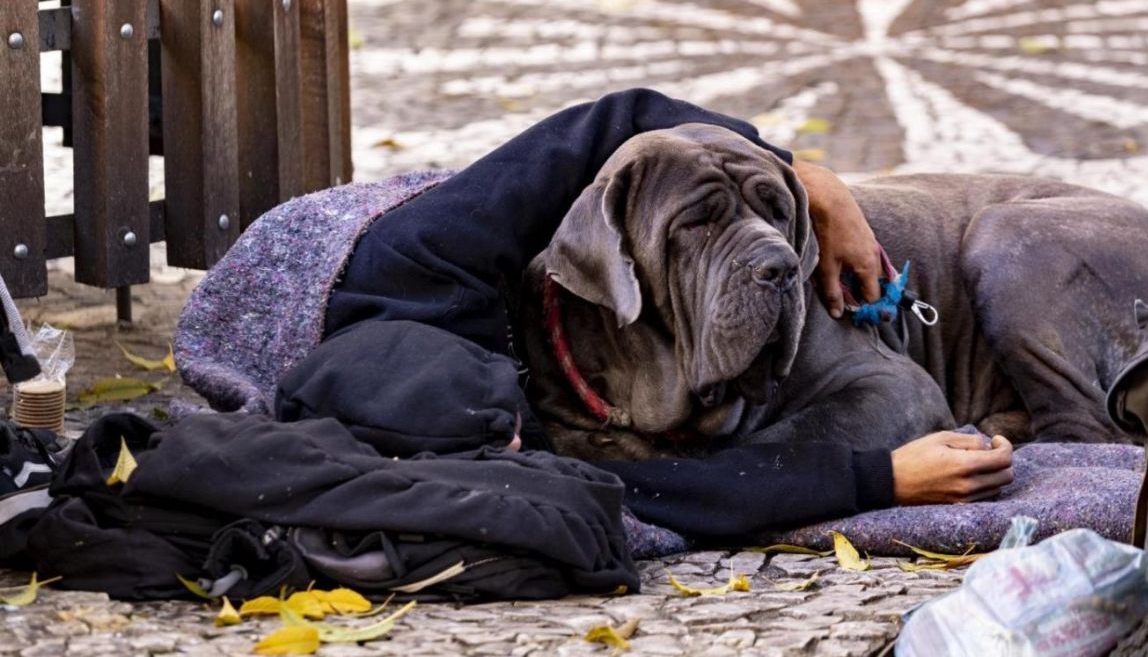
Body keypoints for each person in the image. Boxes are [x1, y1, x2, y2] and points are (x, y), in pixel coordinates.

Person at [276, 89, 1013, 540]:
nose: (517, 446)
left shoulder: (433, 247)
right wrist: (877, 479)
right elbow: (669, 495)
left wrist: (803, 178)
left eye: (512, 440)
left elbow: (620, 118)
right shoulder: (493, 439)